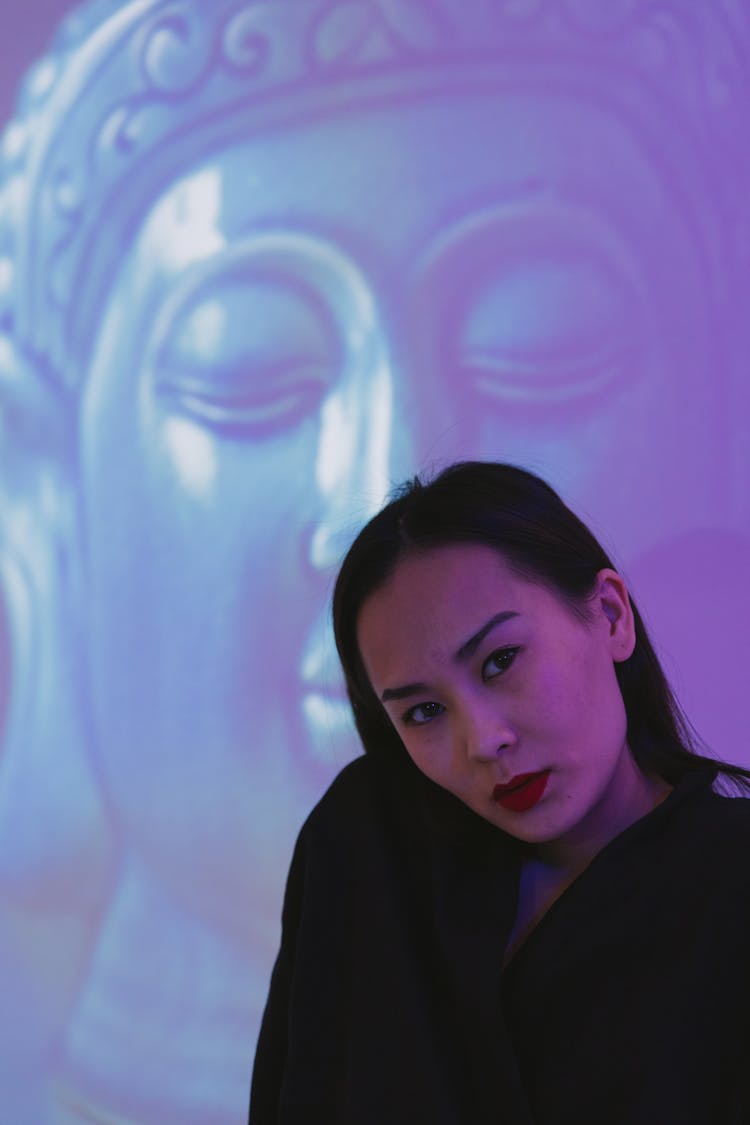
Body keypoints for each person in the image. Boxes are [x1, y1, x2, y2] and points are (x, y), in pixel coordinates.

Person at [250, 460, 750, 1125]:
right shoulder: (367, 841)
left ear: (609, 615)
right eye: (423, 712)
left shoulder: (732, 878)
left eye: (500, 660)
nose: (481, 740)